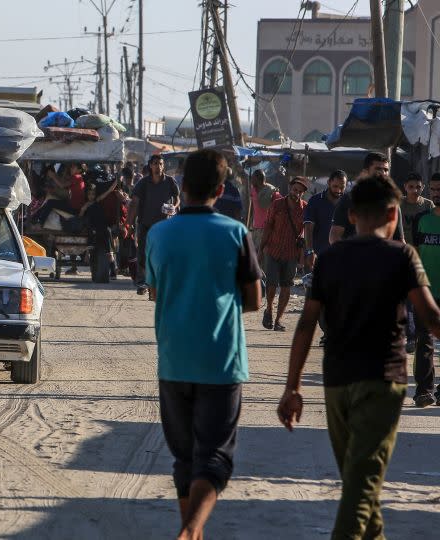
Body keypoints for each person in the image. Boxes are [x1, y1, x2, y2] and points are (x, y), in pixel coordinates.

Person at [278, 176, 440, 538]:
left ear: (351, 216)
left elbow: (305, 326)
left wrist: (293, 387)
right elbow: (430, 319)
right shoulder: (402, 256)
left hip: (337, 381)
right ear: (394, 214)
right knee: (361, 483)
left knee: (358, 480)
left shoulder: (331, 259)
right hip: (383, 381)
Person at [146, 149, 262, 540]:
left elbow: (154, 290)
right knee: (213, 458)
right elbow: (255, 300)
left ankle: (189, 531)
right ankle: (192, 528)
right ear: (220, 189)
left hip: (174, 359)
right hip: (220, 361)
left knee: (185, 458)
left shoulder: (158, 233)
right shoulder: (235, 233)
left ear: (181, 186)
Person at [260, 177, 308, 332]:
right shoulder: (277, 205)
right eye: (295, 190)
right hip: (273, 250)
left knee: (286, 286)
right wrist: (261, 249)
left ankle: (278, 320)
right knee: (272, 285)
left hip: (291, 253)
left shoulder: (305, 208)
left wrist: (302, 256)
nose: (297, 194)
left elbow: (305, 233)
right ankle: (269, 310)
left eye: (300, 192)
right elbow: (268, 227)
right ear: (289, 188)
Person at [409, 172, 440, 407]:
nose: (436, 193)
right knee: (424, 341)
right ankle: (424, 390)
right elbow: (415, 253)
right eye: (433, 189)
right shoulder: (421, 219)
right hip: (426, 292)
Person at [130, 154, 180, 295]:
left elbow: (177, 199)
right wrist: (129, 223)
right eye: (155, 163)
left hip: (164, 225)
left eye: (160, 163)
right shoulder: (143, 183)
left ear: (163, 166)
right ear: (150, 166)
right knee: (143, 253)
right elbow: (135, 202)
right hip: (145, 223)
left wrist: (174, 207)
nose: (158, 166)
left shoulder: (170, 182)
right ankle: (143, 282)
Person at [329, 152, 404, 244]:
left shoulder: (392, 202)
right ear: (366, 172)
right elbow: (334, 237)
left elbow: (399, 240)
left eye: (386, 170)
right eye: (378, 169)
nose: (383, 173)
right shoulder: (350, 199)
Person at [304, 170, 347, 271]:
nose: (339, 190)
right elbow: (308, 227)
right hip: (319, 257)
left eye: (342, 187)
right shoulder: (315, 201)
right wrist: (310, 251)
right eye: (335, 186)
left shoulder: (348, 203)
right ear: (329, 182)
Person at [248, 169, 282, 263]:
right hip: (255, 227)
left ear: (258, 179)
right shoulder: (253, 190)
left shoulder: (272, 191)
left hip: (267, 227)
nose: (251, 180)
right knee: (254, 252)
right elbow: (252, 208)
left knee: (263, 253)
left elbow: (281, 205)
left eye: (253, 178)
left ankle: (263, 274)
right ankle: (258, 273)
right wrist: (250, 222)